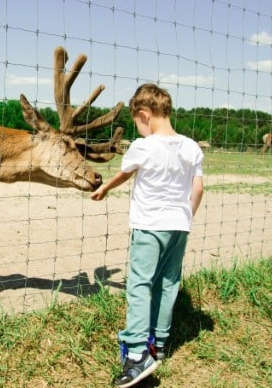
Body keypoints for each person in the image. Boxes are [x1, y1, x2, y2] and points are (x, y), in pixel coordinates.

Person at [90, 83, 204, 387]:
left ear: (144, 115)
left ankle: (138, 354)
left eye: (137, 123)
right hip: (179, 226)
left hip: (150, 226)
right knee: (168, 282)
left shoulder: (144, 146)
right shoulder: (191, 145)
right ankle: (160, 342)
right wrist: (185, 216)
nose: (138, 129)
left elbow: (124, 173)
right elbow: (198, 187)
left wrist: (104, 188)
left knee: (139, 285)